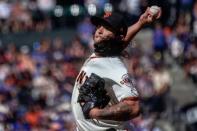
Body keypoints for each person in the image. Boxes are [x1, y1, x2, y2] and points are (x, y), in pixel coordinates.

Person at [71, 7, 161, 131]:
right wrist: (141, 22)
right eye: (99, 26)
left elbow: (134, 107)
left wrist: (97, 113)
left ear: (117, 36)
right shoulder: (103, 53)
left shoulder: (113, 66)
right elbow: (119, 42)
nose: (100, 31)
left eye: (107, 27)